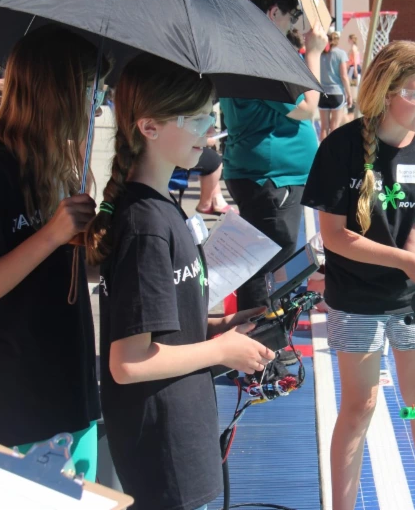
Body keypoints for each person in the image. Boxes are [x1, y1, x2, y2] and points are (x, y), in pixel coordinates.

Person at [84, 53, 274, 510]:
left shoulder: (162, 205)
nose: (208, 131)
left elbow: (162, 327)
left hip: (180, 426)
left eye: (209, 116)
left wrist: (222, 328)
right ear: (149, 127)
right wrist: (221, 351)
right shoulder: (145, 225)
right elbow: (127, 362)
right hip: (162, 444)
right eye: (194, 119)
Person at [301, 40, 415, 510]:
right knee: (359, 407)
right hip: (355, 298)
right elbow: (336, 238)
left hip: (412, 304)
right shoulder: (340, 148)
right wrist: (405, 261)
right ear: (386, 90)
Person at [0, 26, 110, 479]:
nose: (96, 105)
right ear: (54, 93)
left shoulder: (60, 164)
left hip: (69, 391)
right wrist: (51, 235)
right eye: (90, 91)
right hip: (15, 406)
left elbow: (67, 272)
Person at [219, 0, 327, 338]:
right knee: (262, 266)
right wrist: (314, 52)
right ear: (273, 11)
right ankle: (257, 349)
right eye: (292, 15)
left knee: (263, 262)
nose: (294, 23)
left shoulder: (251, 48)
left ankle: (259, 344)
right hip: (270, 177)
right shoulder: (260, 54)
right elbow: (305, 109)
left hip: (268, 174)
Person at [319, 31, 353, 140]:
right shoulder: (340, 54)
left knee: (324, 127)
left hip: (323, 93)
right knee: (335, 127)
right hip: (337, 92)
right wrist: (349, 94)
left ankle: (321, 153)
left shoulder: (320, 53)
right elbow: (344, 76)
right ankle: (332, 154)